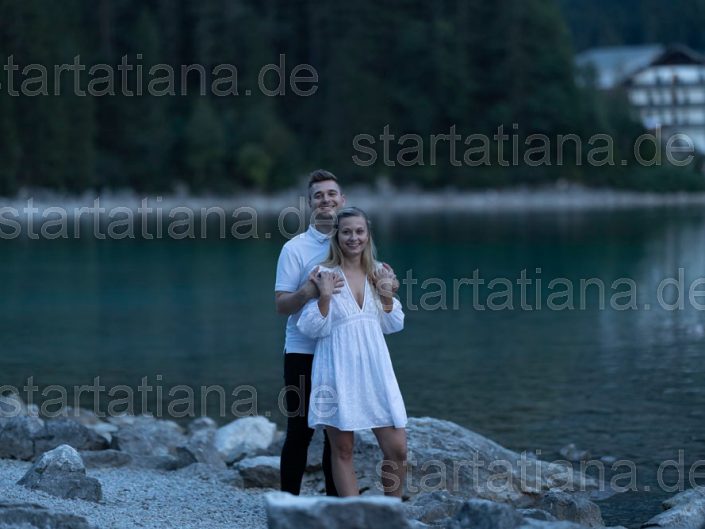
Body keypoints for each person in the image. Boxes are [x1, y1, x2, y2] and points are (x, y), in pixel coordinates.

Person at [297, 207, 407, 498]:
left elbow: (394, 324)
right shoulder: (323, 274)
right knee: (343, 449)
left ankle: (392, 511)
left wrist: (386, 294)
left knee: (397, 449)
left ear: (368, 234)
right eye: (346, 232)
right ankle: (354, 514)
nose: (353, 237)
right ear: (336, 236)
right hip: (337, 368)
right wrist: (323, 296)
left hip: (376, 369)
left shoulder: (378, 271)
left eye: (359, 231)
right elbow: (309, 327)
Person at [275, 169, 345, 496]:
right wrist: (307, 292)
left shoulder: (354, 242)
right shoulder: (295, 249)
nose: (325, 200)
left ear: (342, 199)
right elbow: (281, 305)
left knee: (338, 432)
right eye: (318, 196)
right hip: (302, 351)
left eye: (331, 194)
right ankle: (287, 504)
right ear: (309, 204)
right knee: (300, 431)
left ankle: (335, 506)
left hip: (341, 350)